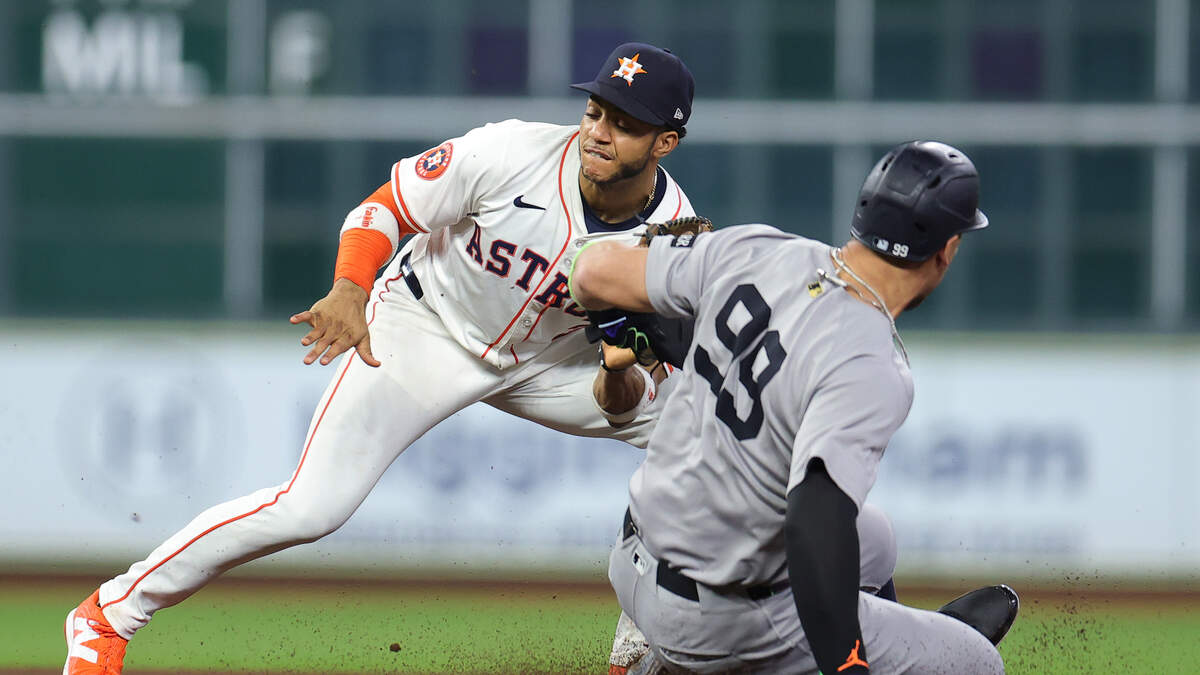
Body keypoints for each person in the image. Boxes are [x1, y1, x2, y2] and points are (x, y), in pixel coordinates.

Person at [63, 42, 699, 675]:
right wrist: (350, 287)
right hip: (426, 327)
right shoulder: (511, 152)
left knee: (698, 435)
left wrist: (623, 372)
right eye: (595, 111)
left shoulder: (673, 234)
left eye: (625, 124)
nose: (599, 132)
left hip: (546, 365)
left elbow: (650, 371)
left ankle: (636, 654)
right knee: (310, 509)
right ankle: (107, 614)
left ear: (664, 143)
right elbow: (386, 206)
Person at [569, 141, 1019, 674]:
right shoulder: (870, 361)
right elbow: (814, 521)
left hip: (633, 559)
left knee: (874, 541)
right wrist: (848, 664)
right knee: (978, 663)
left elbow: (591, 272)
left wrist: (636, 333)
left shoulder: (758, 249)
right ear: (947, 250)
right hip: (718, 620)